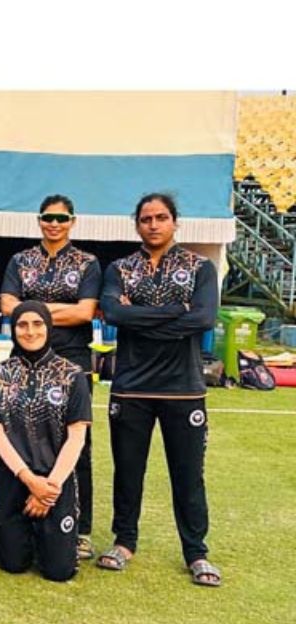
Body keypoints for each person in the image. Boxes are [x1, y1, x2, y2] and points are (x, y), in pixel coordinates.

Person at [97, 193, 221, 587]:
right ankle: (124, 541)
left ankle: (196, 552)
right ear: (137, 224)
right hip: (131, 387)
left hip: (183, 389)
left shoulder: (199, 267)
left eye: (161, 217)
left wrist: (141, 317)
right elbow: (114, 315)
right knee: (128, 470)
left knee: (188, 474)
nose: (153, 224)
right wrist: (175, 312)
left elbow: (203, 319)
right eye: (146, 218)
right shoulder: (120, 268)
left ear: (174, 222)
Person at [0, 195, 101, 559]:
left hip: (71, 359)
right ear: (39, 220)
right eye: (47, 217)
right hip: (21, 360)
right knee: (16, 437)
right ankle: (12, 513)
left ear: (72, 221)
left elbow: (85, 312)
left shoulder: (87, 263)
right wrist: (55, 311)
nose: (53, 224)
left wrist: (34, 310)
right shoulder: (20, 260)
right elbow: (8, 307)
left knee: (76, 443)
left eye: (61, 218)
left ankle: (81, 525)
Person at [0, 301, 91, 581]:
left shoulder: (72, 375)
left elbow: (77, 436)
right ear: (13, 330)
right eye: (22, 325)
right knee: (12, 564)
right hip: (14, 478)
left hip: (56, 480)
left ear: (49, 327)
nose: (29, 331)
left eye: (37, 324)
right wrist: (29, 480)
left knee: (59, 571)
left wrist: (50, 487)